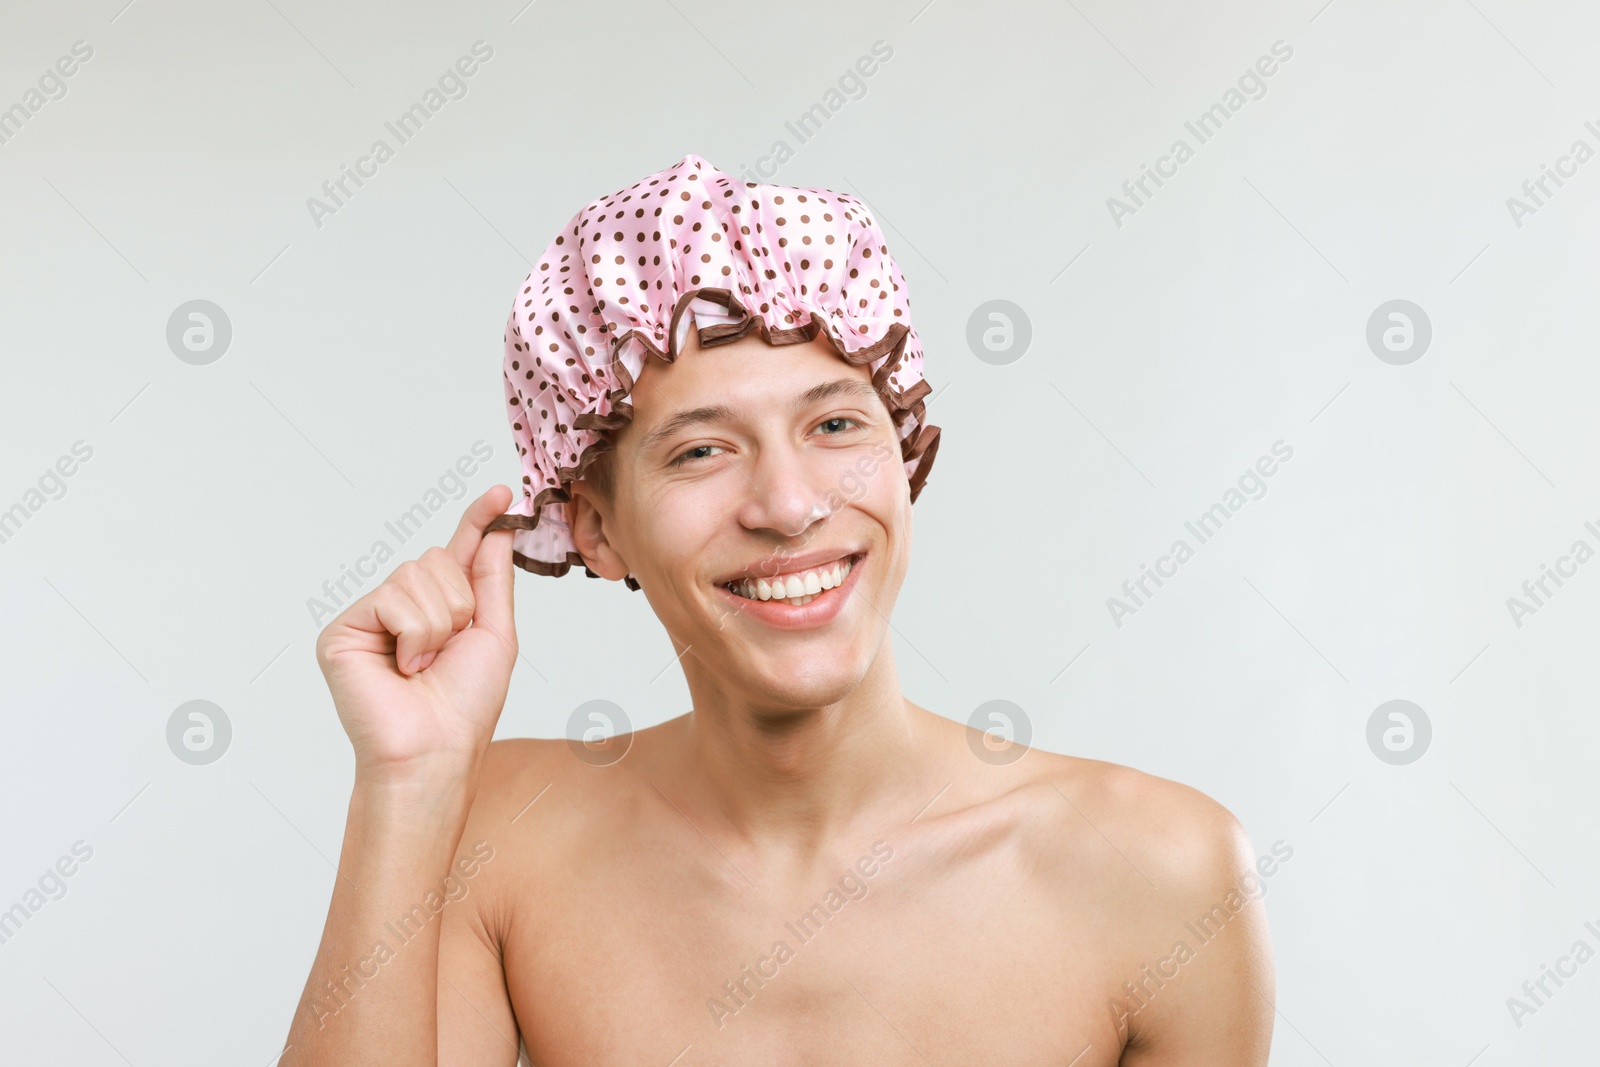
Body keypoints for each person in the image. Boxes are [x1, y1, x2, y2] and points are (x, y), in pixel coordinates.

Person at [281, 156, 1275, 1065]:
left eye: (836, 423)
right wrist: (408, 781)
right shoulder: (498, 835)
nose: (790, 503)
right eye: (701, 449)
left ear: (903, 449)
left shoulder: (1161, 873)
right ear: (594, 526)